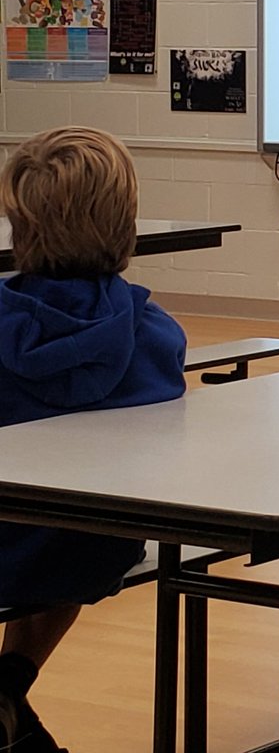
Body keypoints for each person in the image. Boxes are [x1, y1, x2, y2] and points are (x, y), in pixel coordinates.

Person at [0, 127, 187, 752]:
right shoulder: (156, 337)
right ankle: (7, 688)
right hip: (95, 550)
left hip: (8, 546)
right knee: (56, 538)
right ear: (125, 223)